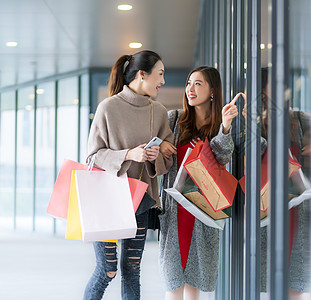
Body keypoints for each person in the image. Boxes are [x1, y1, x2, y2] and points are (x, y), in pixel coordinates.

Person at [84, 50, 174, 300]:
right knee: (107, 270)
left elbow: (167, 161)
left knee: (132, 270)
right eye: (160, 74)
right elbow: (92, 157)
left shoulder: (159, 112)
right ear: (142, 74)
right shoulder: (108, 108)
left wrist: (158, 155)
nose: (163, 81)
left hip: (141, 202)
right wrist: (128, 155)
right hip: (108, 202)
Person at [158, 66, 241, 300]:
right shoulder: (174, 120)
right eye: (188, 83)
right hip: (175, 210)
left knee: (195, 280)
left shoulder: (218, 126)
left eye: (198, 84)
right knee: (173, 281)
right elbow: (160, 163)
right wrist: (161, 148)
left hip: (202, 211)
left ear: (212, 91)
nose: (190, 89)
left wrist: (225, 126)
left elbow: (222, 159)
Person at [247, 67, 311, 299]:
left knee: (296, 280)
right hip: (265, 206)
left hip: (296, 207)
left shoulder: (300, 120)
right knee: (268, 276)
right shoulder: (249, 120)